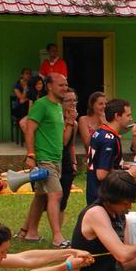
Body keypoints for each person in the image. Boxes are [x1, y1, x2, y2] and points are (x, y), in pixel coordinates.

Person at [21, 73, 71, 246]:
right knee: (56, 194)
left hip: (56, 158)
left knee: (41, 196)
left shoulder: (58, 106)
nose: (65, 88)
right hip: (44, 159)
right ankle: (58, 237)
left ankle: (30, 233)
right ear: (49, 86)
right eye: (61, 85)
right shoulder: (41, 105)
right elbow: (28, 129)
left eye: (66, 85)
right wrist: (31, 155)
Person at [86, 97, 136, 206]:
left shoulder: (100, 131)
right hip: (104, 198)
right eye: (128, 115)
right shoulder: (109, 140)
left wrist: (122, 165)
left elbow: (102, 161)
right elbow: (101, 174)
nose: (131, 119)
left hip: (94, 192)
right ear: (117, 116)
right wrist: (128, 173)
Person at [59, 88, 79, 221]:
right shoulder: (57, 121)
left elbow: (71, 144)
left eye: (74, 100)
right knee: (45, 199)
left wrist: (74, 162)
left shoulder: (75, 123)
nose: (72, 103)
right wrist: (69, 122)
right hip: (54, 161)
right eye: (68, 100)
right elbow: (62, 141)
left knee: (62, 202)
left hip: (66, 163)